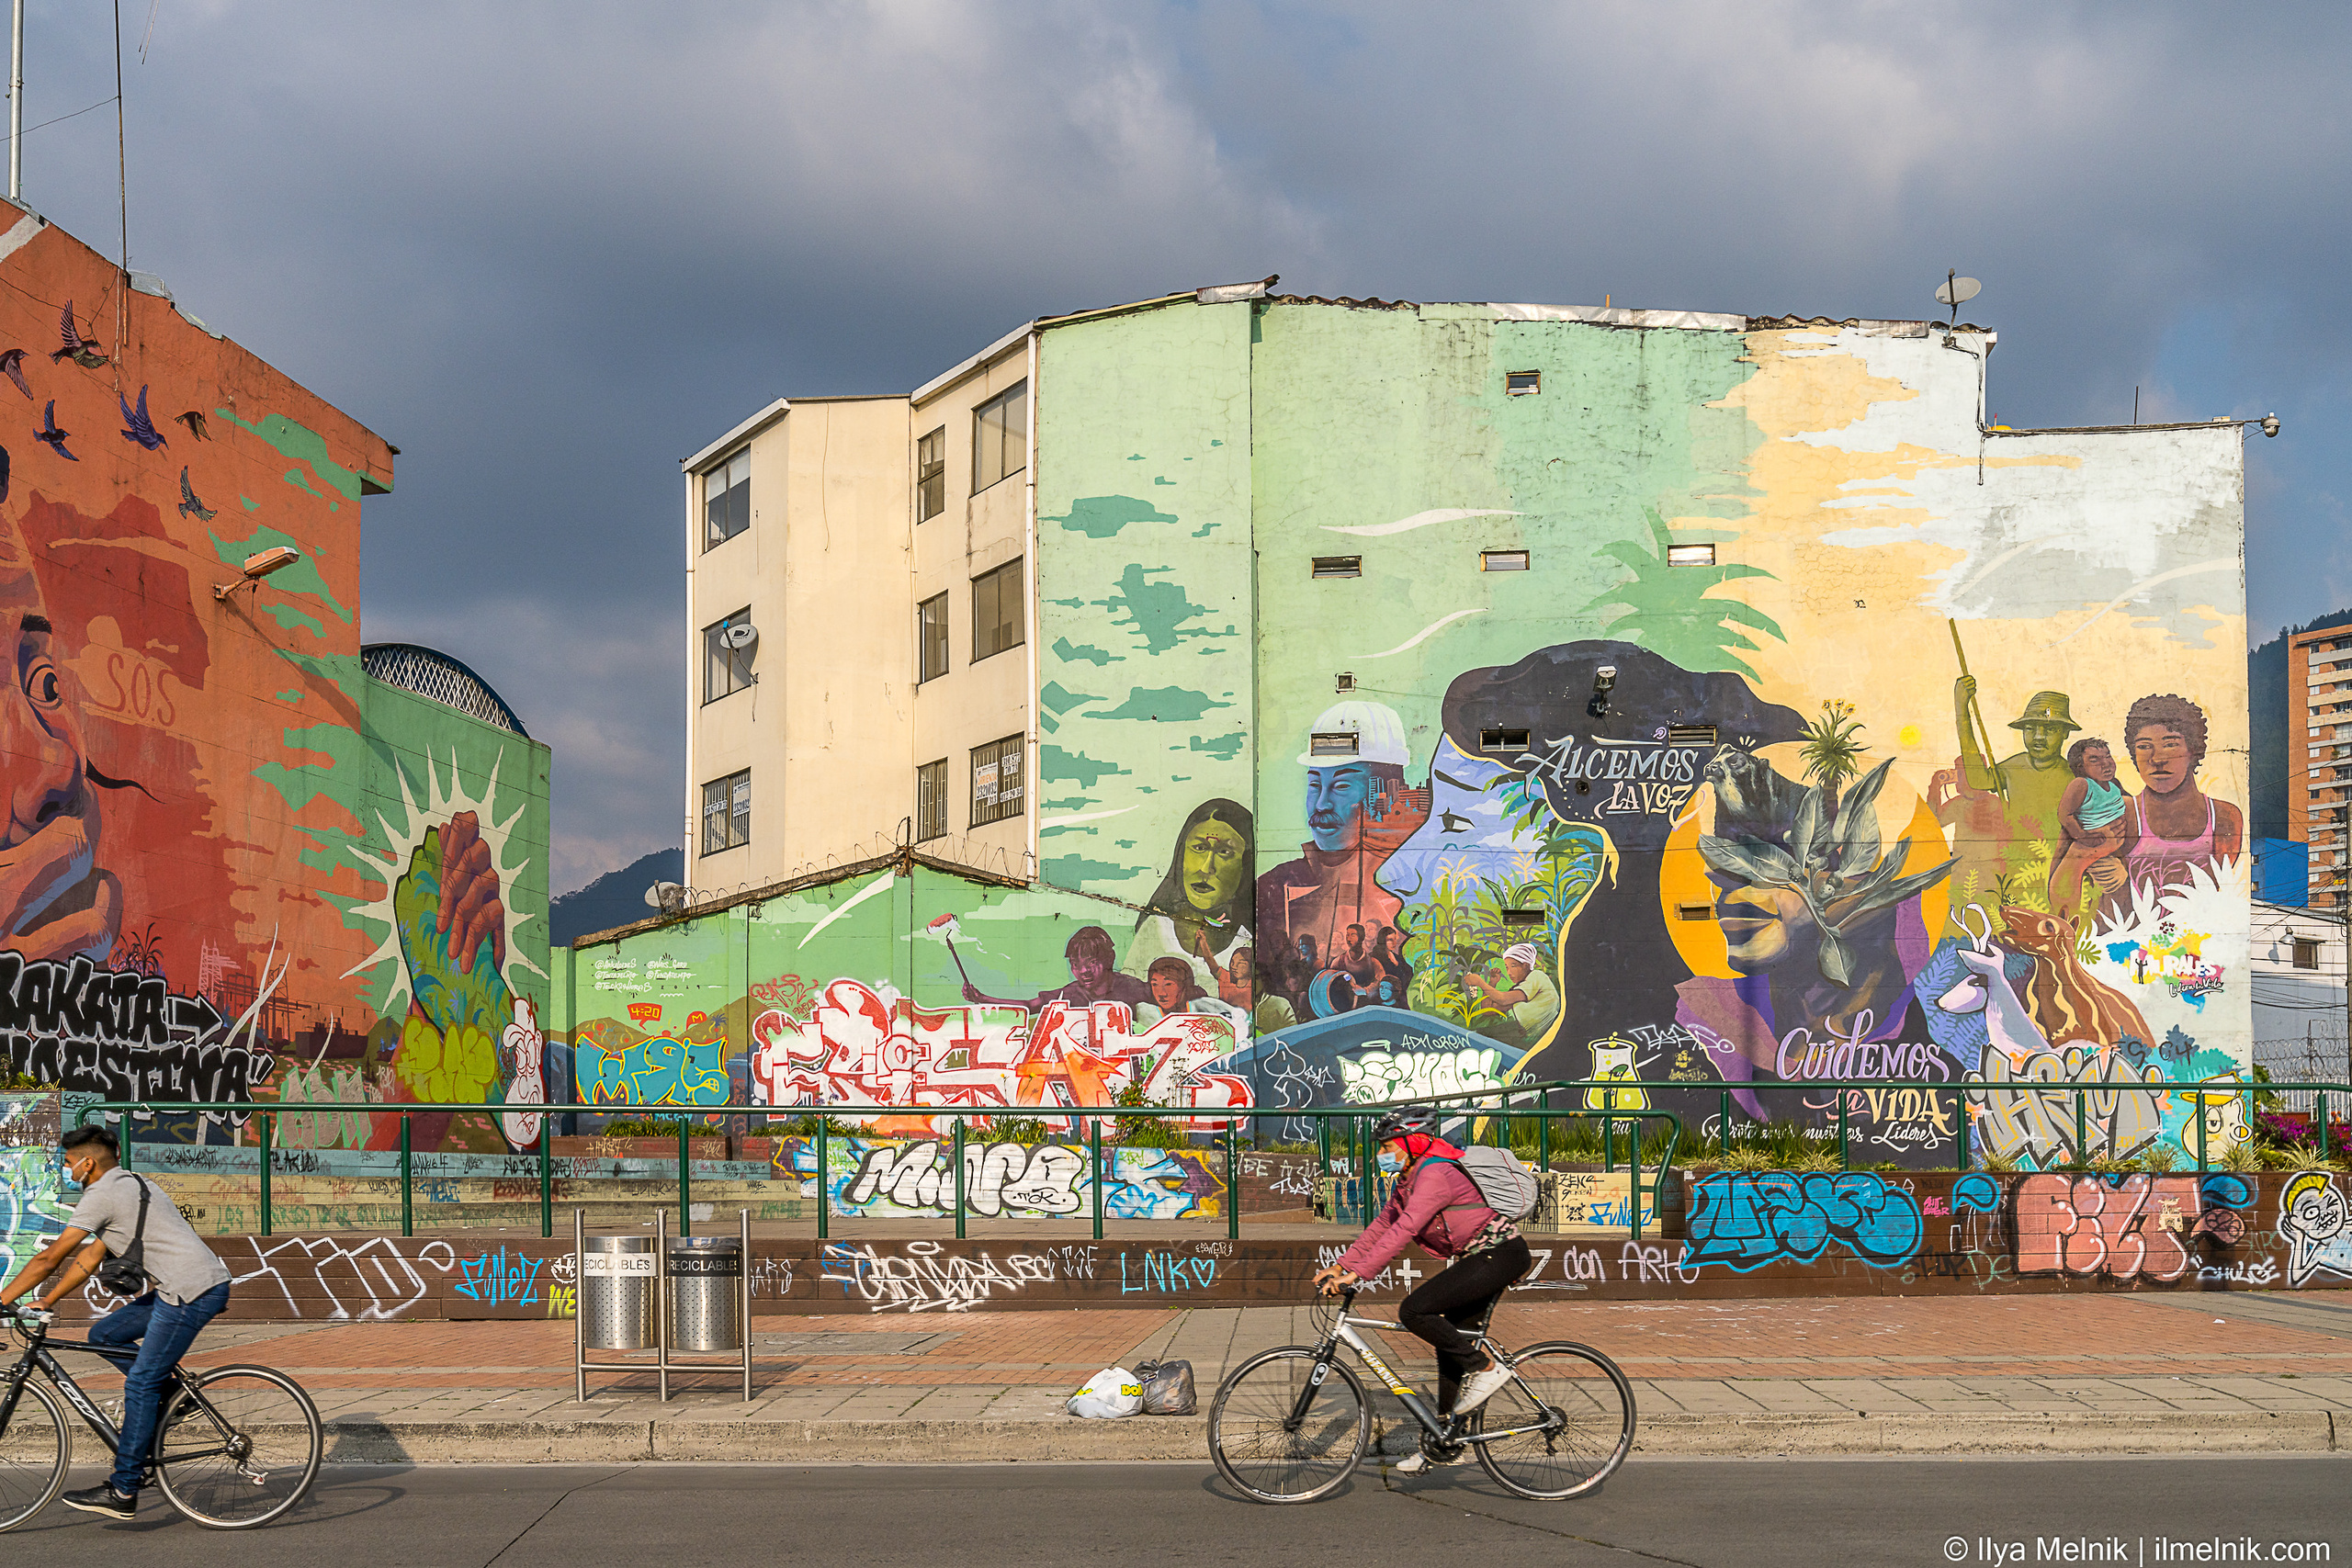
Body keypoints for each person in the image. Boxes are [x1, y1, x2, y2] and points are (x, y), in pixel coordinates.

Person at [0, 1124, 233, 1518]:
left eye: (69, 1162)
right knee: (104, 1334)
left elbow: (49, 1257)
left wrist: (3, 1300)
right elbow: (91, 1257)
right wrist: (49, 1300)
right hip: (192, 1285)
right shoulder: (135, 1185)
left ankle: (124, 1489)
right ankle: (175, 1397)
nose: (66, 1170)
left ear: (88, 1164)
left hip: (188, 1292)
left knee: (141, 1383)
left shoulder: (102, 1194)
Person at [1312, 1107, 1532, 1473]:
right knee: (1451, 1344)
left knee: (1414, 1311)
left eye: (1388, 1146)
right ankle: (1444, 1440)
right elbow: (1384, 1224)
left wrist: (1359, 1274)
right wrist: (1343, 1265)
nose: (1381, 1153)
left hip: (1499, 1254)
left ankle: (1486, 1368)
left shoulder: (1435, 1174)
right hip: (1480, 1256)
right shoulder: (1408, 1179)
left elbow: (1406, 1229)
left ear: (1412, 1142)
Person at [1254, 701, 1429, 968]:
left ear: (1386, 791)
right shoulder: (1276, 887)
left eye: (1341, 786)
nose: (1322, 804)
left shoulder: (1418, 886)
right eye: (1314, 784)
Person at [2120, 693, 2244, 900]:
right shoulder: (2124, 813)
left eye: (2170, 744)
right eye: (2144, 747)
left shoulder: (2224, 817)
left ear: (2193, 750)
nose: (2157, 759)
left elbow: (2216, 893)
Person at [1125, 799, 1254, 995]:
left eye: (1224, 852)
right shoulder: (1157, 928)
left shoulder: (1253, 937)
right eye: (1199, 848)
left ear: (1246, 865)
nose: (1206, 868)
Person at [2048, 737, 2132, 925]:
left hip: (2114, 846)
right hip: (2093, 846)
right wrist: (2083, 836)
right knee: (2112, 879)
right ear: (2081, 766)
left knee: (2121, 877)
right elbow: (2065, 814)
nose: (2106, 763)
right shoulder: (2082, 784)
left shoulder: (2114, 784)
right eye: (2095, 760)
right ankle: (2071, 921)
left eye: (2108, 756)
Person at [1463, 942, 1559, 1047]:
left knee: (1481, 1039)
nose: (1508, 972)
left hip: (1538, 1035)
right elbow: (1488, 1010)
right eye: (1507, 967)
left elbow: (1503, 999)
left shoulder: (1537, 976)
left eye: (1513, 966)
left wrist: (1480, 982)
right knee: (1480, 1036)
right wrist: (1492, 983)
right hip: (1523, 1031)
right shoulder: (1521, 988)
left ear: (1526, 966)